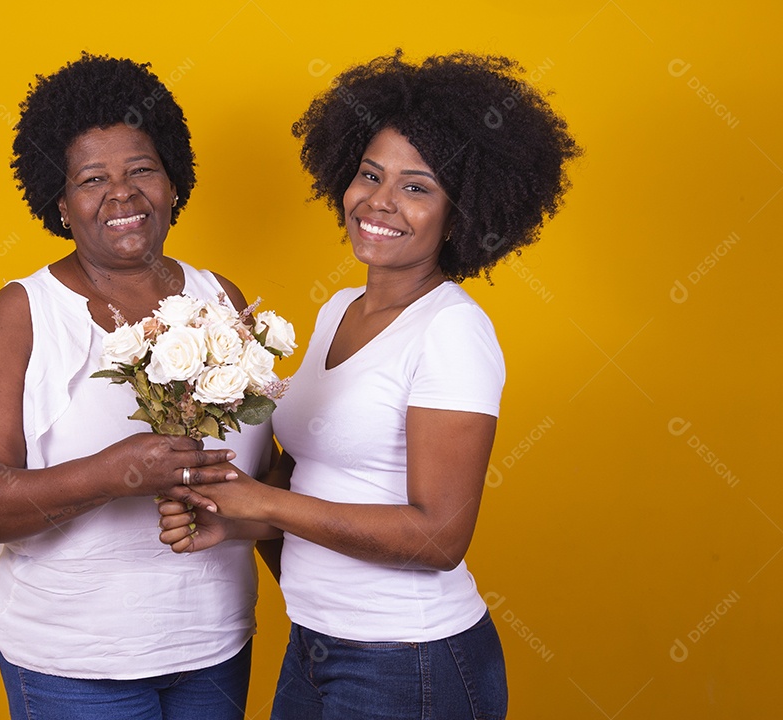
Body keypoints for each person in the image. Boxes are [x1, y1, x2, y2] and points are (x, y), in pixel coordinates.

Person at [158, 51, 580, 719]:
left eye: (417, 187)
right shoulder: (338, 313)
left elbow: (440, 537)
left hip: (409, 661)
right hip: (317, 645)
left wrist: (257, 500)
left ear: (462, 210)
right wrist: (239, 522)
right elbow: (313, 483)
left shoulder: (451, 331)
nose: (380, 201)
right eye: (370, 174)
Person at [0, 53, 274, 720]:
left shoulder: (221, 297)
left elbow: (266, 469)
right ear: (60, 204)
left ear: (174, 184)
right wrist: (112, 475)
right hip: (75, 662)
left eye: (142, 169)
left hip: (213, 645)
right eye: (93, 179)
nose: (121, 194)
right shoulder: (25, 314)